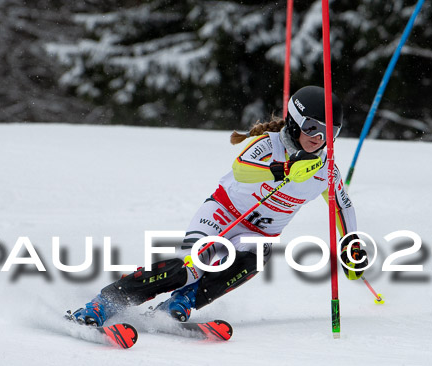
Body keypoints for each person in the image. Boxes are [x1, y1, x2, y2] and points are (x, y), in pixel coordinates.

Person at [67, 85, 368, 326]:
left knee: (253, 259)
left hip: (257, 234)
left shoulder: (326, 169)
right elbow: (241, 169)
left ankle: (179, 303)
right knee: (191, 266)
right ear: (294, 121)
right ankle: (105, 303)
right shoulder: (270, 144)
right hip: (223, 215)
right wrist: (283, 171)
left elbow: (342, 206)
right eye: (314, 128)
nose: (320, 138)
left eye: (330, 132)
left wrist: (351, 244)